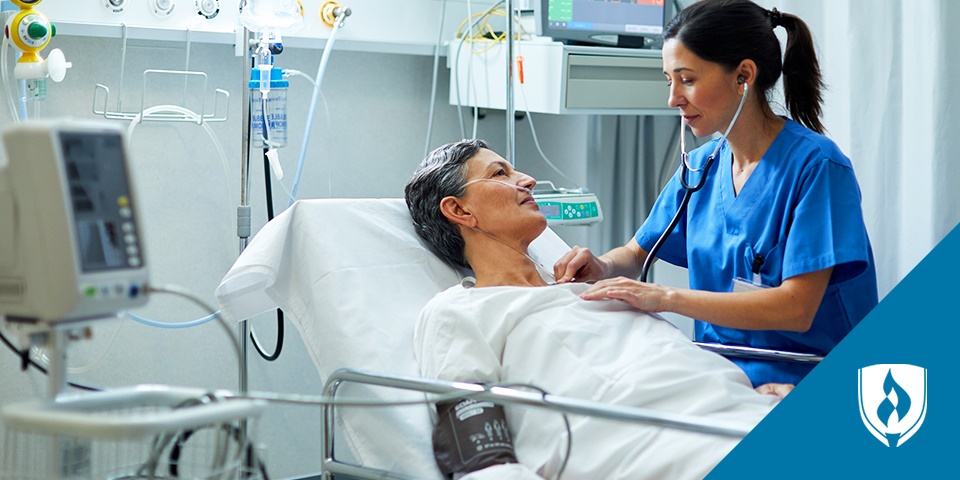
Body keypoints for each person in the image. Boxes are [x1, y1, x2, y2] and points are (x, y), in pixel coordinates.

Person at [404, 139, 787, 480]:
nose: (527, 179)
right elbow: (483, 461)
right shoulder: (460, 311)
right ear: (459, 210)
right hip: (674, 451)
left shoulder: (592, 290)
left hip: (748, 417)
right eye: (500, 173)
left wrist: (750, 395)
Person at [553, 0, 878, 387]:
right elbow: (636, 253)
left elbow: (797, 308)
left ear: (743, 75)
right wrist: (603, 267)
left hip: (805, 373)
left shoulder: (817, 168)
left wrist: (664, 298)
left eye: (686, 79)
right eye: (668, 80)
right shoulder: (701, 167)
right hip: (720, 373)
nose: (672, 99)